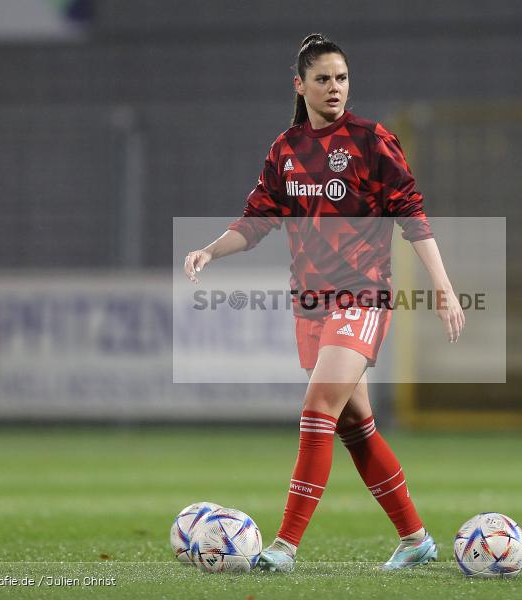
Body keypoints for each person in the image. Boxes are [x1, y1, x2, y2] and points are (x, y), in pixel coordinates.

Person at [183, 33, 464, 572]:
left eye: (341, 79)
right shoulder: (285, 150)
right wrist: (211, 251)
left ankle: (284, 547)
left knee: (316, 411)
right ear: (300, 85)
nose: (334, 88)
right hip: (310, 304)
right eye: (323, 79)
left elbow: (411, 213)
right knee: (355, 425)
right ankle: (416, 540)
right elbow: (257, 221)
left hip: (363, 295)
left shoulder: (371, 140)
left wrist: (443, 285)